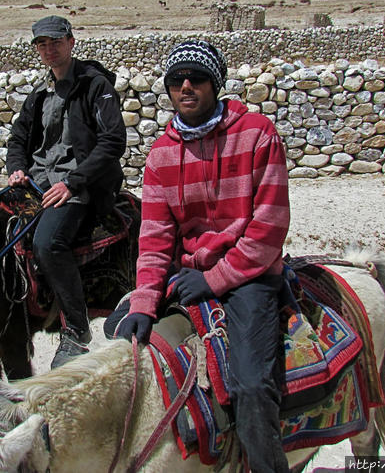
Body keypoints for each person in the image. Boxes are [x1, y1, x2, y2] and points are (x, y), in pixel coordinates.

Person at [116, 40, 291, 473]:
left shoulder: (256, 134)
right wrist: (143, 300)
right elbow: (155, 237)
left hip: (250, 275)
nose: (186, 86)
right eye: (176, 80)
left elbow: (269, 227)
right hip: (189, 272)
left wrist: (216, 280)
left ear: (216, 83)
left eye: (196, 78)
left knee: (251, 384)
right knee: (123, 348)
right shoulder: (161, 155)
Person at [7, 15, 127, 369]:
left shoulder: (94, 85)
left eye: (55, 42)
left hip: (80, 183)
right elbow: (18, 137)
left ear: (71, 42)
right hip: (38, 179)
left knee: (47, 243)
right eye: (42, 44)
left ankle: (75, 330)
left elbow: (113, 140)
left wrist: (73, 182)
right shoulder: (40, 93)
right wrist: (16, 168)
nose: (49, 49)